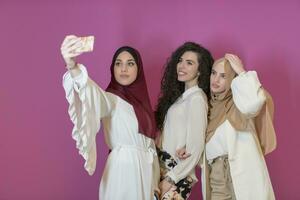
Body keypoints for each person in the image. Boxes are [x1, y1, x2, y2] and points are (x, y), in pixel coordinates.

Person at [60, 35, 160, 200]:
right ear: (112, 68)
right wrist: (72, 66)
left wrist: (155, 184)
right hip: (123, 172)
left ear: (138, 69)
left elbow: (151, 149)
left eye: (130, 64)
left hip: (146, 173)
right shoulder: (111, 99)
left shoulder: (144, 107)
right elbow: (91, 92)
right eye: (118, 64)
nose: (123, 69)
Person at [203, 54, 276, 199]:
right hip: (216, 175)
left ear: (232, 79)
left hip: (243, 170)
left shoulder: (240, 102)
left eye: (224, 76)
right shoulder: (206, 105)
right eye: (213, 73)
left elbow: (254, 103)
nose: (216, 80)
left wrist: (241, 72)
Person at [155, 42, 214, 199]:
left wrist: (170, 178)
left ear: (200, 70)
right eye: (180, 61)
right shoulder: (182, 98)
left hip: (175, 173)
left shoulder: (197, 99)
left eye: (189, 63)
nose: (181, 66)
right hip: (164, 167)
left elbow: (196, 147)